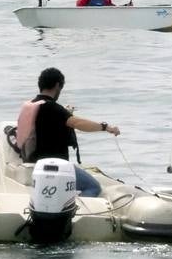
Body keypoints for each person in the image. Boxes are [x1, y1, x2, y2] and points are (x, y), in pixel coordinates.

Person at [14, 67, 119, 198]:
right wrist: (105, 127)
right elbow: (78, 123)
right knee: (93, 187)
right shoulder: (52, 108)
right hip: (56, 167)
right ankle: (73, 212)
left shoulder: (31, 106)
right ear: (58, 85)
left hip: (33, 164)